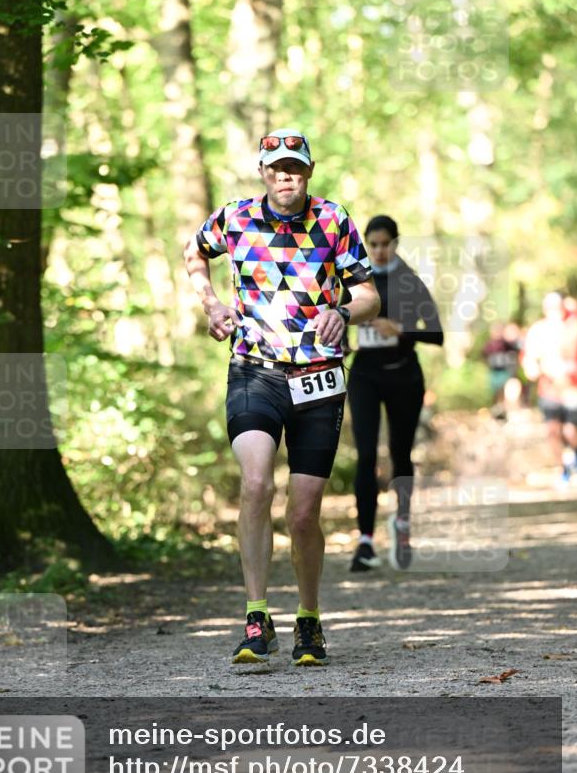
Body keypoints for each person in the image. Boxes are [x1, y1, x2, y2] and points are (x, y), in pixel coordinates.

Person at [183, 129, 379, 666]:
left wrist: (342, 312)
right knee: (253, 482)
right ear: (262, 172)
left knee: (302, 513)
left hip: (318, 378)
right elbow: (194, 253)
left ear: (308, 172)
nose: (284, 176)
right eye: (275, 167)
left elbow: (369, 294)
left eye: (294, 167)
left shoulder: (334, 220)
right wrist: (211, 303)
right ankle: (255, 616)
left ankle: (309, 621)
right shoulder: (234, 217)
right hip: (255, 371)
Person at [346, 215, 443, 573]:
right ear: (366, 245)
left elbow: (436, 333)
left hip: (404, 377)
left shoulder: (409, 281)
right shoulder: (356, 279)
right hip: (365, 377)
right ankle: (365, 541)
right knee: (366, 454)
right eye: (373, 244)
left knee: (400, 454)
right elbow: (338, 318)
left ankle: (402, 525)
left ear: (396, 244)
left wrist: (400, 329)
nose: (379, 250)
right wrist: (341, 342)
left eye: (385, 244)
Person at [521, 292, 577, 484]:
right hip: (549, 390)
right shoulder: (538, 330)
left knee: (571, 431)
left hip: (573, 389)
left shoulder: (575, 327)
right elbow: (528, 358)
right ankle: (562, 469)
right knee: (552, 431)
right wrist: (533, 368)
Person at [482, 321, 521, 418]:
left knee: (509, 393)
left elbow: (516, 349)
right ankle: (498, 412)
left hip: (506, 372)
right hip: (495, 372)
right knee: (496, 393)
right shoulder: (489, 345)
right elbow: (484, 354)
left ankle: (509, 412)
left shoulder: (507, 344)